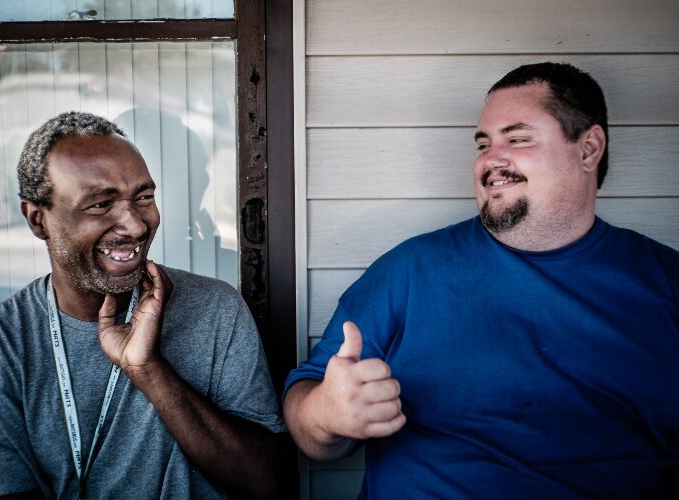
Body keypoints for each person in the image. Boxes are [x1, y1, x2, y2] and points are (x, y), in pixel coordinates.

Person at [283, 62, 679, 497]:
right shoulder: (411, 272)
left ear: (588, 149)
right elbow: (307, 419)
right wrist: (326, 415)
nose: (489, 160)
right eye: (483, 143)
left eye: (517, 138)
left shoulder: (665, 282)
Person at [0, 111, 293, 499]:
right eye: (100, 204)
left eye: (143, 197)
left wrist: (149, 370)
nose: (134, 225)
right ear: (37, 219)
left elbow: (269, 484)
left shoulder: (216, 309)